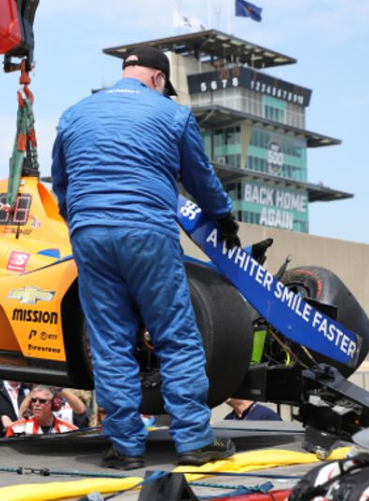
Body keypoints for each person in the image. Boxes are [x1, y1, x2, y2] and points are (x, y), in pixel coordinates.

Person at [52, 45, 240, 470]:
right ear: (158, 78)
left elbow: (60, 184)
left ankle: (124, 447)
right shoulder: (172, 114)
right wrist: (224, 217)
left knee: (109, 340)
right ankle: (193, 439)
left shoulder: (75, 113)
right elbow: (199, 177)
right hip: (147, 232)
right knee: (174, 332)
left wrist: (82, 222)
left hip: (89, 234)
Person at [6, 386, 78, 437]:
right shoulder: (15, 429)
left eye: (42, 401)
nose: (36, 404)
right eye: (33, 400)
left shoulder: (70, 430)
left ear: (54, 404)